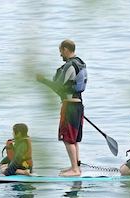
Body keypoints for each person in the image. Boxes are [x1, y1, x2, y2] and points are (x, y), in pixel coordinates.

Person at [36, 39, 88, 177]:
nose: (60, 55)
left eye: (60, 51)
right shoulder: (81, 63)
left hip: (70, 106)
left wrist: (43, 80)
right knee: (74, 139)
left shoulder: (70, 66)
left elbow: (57, 87)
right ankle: (75, 166)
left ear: (65, 49)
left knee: (67, 138)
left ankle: (75, 170)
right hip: (78, 105)